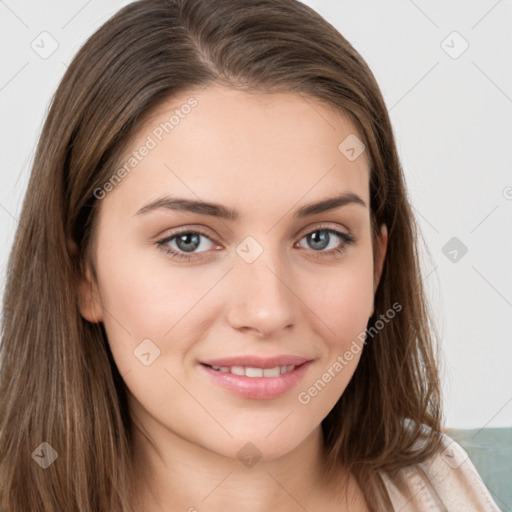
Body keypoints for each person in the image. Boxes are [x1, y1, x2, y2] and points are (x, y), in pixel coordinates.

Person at [0, 0, 501, 510]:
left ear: (376, 262)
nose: (268, 311)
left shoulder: (446, 487)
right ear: (82, 274)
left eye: (321, 238)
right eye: (188, 241)